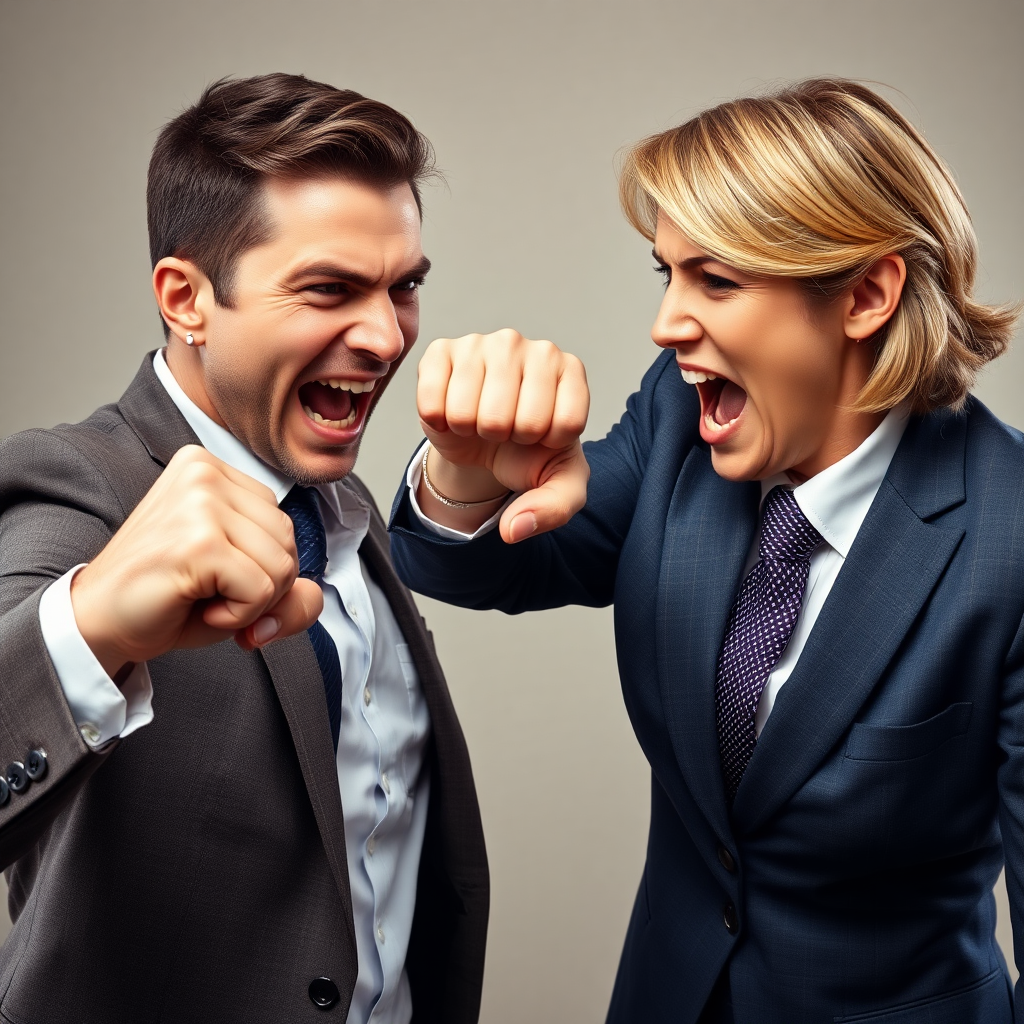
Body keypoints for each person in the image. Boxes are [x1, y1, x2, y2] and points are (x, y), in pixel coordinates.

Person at [388, 78, 1021, 1023]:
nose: (667, 324)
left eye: (717, 280)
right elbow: (497, 558)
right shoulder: (685, 417)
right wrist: (467, 470)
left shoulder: (1007, 538)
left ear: (867, 294)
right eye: (667, 273)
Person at [0, 74, 487, 1023]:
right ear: (187, 298)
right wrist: (92, 622)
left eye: (405, 287)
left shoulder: (339, 505)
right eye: (330, 290)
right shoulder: (74, 483)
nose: (388, 337)